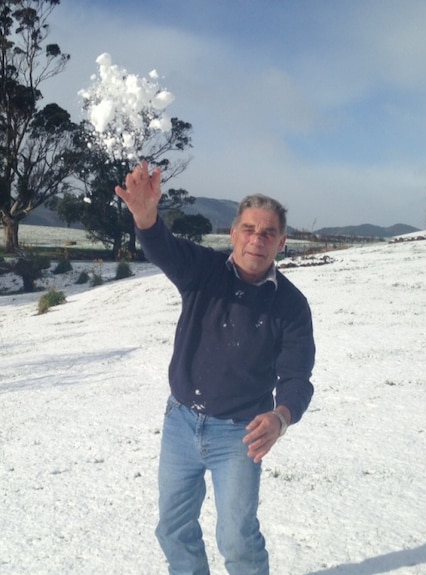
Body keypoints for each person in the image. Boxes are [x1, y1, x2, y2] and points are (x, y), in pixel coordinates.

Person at [115, 162, 316, 575]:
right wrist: (145, 216)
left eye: (268, 233)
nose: (257, 239)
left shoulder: (291, 305)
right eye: (248, 229)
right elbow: (161, 246)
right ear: (233, 234)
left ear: (281, 242)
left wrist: (281, 417)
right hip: (181, 423)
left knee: (237, 540)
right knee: (173, 530)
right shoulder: (203, 271)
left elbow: (297, 377)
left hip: (240, 435)